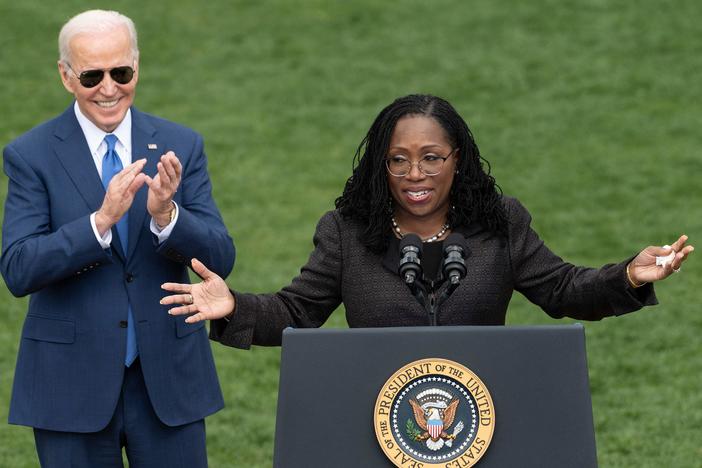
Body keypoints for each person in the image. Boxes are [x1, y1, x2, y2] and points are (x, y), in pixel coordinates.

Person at [161, 94, 692, 349]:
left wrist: (628, 275)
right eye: (398, 160)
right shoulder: (346, 230)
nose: (415, 174)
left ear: (457, 158)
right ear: (381, 165)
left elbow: (562, 290)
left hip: (482, 415)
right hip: (376, 415)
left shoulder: (500, 223)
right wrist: (233, 307)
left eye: (432, 157)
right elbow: (299, 310)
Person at [1, 9, 235, 468]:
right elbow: (18, 266)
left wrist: (168, 215)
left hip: (168, 380)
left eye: (121, 72)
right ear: (66, 76)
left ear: (137, 67)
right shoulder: (31, 155)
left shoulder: (179, 144)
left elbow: (220, 257)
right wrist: (100, 222)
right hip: (69, 386)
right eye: (92, 76)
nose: (109, 89)